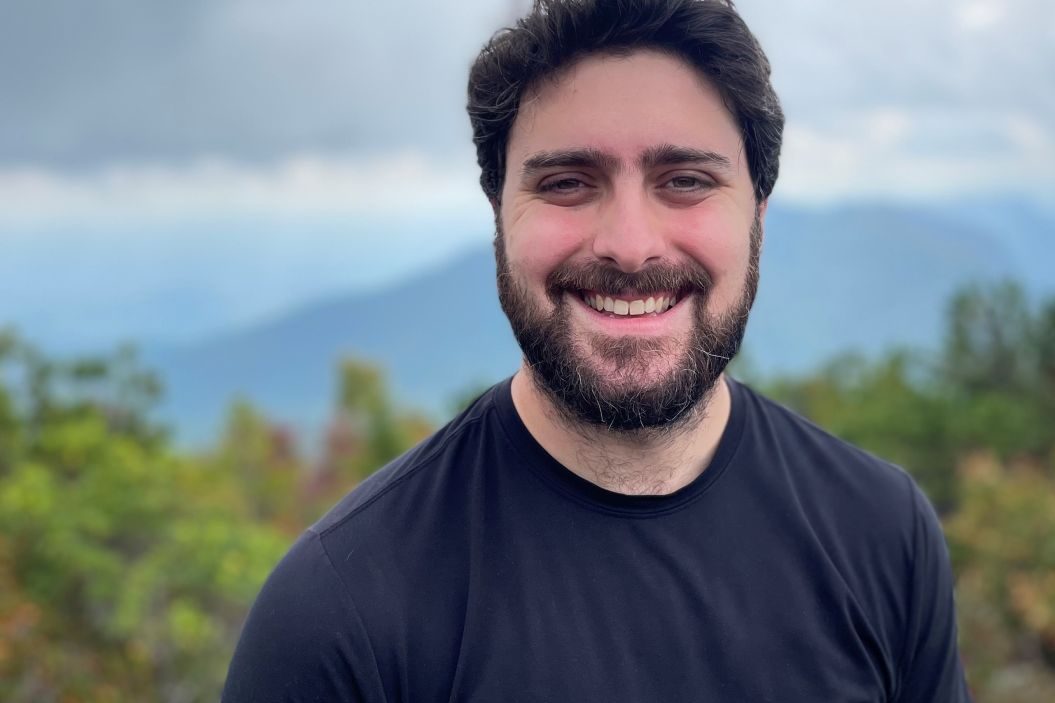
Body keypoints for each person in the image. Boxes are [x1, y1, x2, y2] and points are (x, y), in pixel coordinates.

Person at [222, 1, 971, 700]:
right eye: (567, 182)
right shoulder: (339, 611)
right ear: (499, 216)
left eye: (684, 180)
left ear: (758, 219)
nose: (629, 245)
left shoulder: (882, 533)